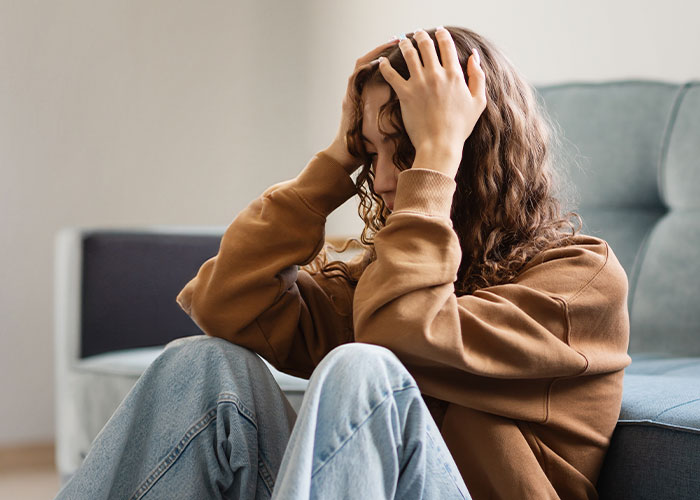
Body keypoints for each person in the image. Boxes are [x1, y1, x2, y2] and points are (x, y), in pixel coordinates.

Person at [54, 25, 630, 500]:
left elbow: (401, 335)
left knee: (363, 369)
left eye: (400, 151)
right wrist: (336, 156)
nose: (377, 180)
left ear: (466, 152)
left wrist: (434, 161)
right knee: (200, 364)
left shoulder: (579, 281)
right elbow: (224, 302)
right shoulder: (378, 274)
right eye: (369, 153)